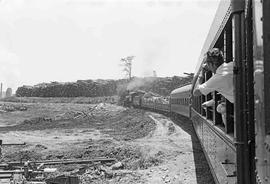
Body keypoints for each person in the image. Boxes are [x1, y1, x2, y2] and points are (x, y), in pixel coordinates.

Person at [193, 48, 234, 124]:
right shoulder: (232, 64)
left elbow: (196, 92)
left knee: (220, 108)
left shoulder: (217, 78)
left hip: (239, 107)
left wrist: (200, 78)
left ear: (210, 64)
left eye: (208, 63)